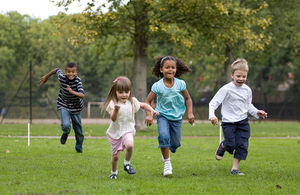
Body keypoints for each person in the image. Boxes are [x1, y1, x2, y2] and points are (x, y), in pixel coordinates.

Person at [209, 58, 267, 175]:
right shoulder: (226, 89)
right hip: (229, 122)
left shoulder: (247, 90)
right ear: (232, 75)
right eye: (238, 76)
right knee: (231, 144)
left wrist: (257, 112)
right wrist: (212, 116)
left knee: (242, 145)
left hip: (243, 122)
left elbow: (248, 106)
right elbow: (213, 103)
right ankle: (224, 145)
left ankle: (234, 169)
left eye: (244, 76)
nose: (241, 79)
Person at [145, 56, 194, 176]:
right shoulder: (158, 86)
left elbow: (188, 98)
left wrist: (190, 113)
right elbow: (147, 102)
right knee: (163, 136)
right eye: (167, 67)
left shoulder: (180, 84)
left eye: (173, 67)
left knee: (175, 144)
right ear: (161, 70)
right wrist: (149, 115)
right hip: (162, 115)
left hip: (177, 117)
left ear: (176, 69)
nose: (170, 70)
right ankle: (167, 163)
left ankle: (169, 149)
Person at [102, 76, 159, 180]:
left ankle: (127, 164)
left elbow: (144, 105)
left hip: (127, 130)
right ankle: (113, 173)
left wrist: (152, 111)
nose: (124, 95)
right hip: (115, 133)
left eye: (126, 92)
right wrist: (115, 110)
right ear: (115, 92)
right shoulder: (113, 104)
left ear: (130, 91)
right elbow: (113, 119)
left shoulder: (132, 101)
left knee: (130, 145)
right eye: (120, 92)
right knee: (115, 157)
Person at [39, 62, 85, 153]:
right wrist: (46, 77)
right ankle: (66, 132)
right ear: (65, 72)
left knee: (79, 131)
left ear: (76, 72)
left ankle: (79, 149)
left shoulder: (78, 81)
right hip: (64, 104)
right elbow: (56, 70)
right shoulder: (62, 77)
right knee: (66, 125)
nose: (70, 74)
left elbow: (82, 95)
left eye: (73, 72)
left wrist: (72, 92)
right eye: (68, 72)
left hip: (76, 107)